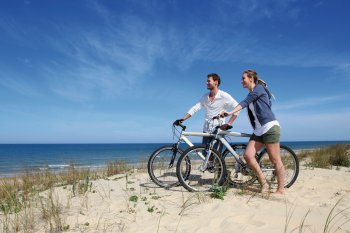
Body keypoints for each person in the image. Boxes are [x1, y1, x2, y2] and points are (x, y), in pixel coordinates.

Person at [221, 69, 285, 194]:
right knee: (248, 156)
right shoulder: (252, 93)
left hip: (270, 127)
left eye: (243, 78)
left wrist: (230, 112)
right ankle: (264, 183)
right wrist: (228, 121)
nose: (241, 81)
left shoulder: (259, 88)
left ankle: (281, 189)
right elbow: (248, 103)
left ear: (251, 79)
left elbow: (245, 103)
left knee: (275, 160)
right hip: (259, 130)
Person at [174, 73, 239, 148]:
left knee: (215, 156)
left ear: (216, 82)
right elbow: (195, 108)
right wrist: (183, 119)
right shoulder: (205, 96)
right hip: (206, 130)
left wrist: (228, 123)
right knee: (206, 155)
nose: (206, 83)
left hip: (218, 129)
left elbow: (237, 108)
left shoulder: (224, 95)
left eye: (208, 81)